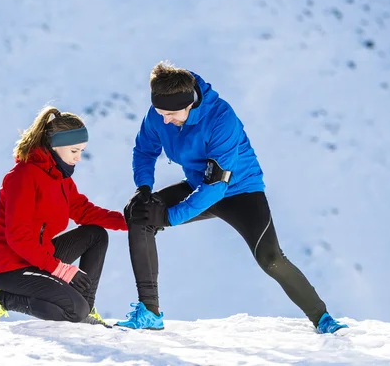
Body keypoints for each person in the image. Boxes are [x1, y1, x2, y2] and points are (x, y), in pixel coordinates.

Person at [116, 62, 348, 334]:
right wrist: (143, 188)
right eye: (160, 112)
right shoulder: (160, 114)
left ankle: (322, 318)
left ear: (190, 104)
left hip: (240, 191)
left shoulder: (221, 118)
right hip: (198, 185)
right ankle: (149, 312)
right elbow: (144, 151)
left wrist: (169, 216)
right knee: (140, 215)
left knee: (270, 258)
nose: (165, 119)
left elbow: (216, 186)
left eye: (171, 114)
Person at [0, 106, 127, 328]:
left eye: (81, 152)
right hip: (10, 268)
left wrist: (130, 222)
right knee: (73, 310)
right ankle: (0, 297)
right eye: (74, 151)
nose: (78, 158)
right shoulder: (23, 176)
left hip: (37, 257)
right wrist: (61, 270)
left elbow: (83, 211)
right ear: (55, 146)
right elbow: (18, 237)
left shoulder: (60, 176)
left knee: (96, 235)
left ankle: (86, 308)